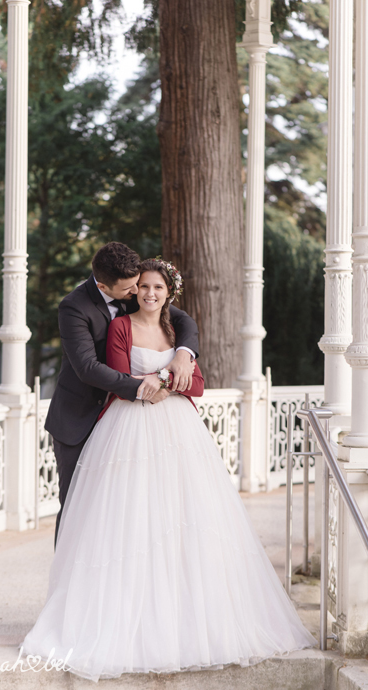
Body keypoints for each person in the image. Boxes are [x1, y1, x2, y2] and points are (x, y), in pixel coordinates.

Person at [21, 258, 315, 680]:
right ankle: (82, 608)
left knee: (183, 516)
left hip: (175, 428)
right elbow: (96, 368)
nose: (144, 293)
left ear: (166, 291)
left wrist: (182, 355)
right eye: (139, 287)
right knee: (90, 517)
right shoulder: (85, 309)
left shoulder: (174, 325)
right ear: (117, 286)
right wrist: (155, 380)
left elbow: (194, 380)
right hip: (104, 417)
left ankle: (182, 614)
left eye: (154, 287)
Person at [45, 242, 199, 546]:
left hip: (130, 424)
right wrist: (144, 388)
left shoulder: (132, 292)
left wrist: (184, 353)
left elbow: (182, 320)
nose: (137, 293)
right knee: (77, 506)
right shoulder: (74, 307)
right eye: (130, 288)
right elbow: (87, 367)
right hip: (80, 419)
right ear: (103, 285)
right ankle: (67, 588)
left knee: (125, 508)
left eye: (138, 285)